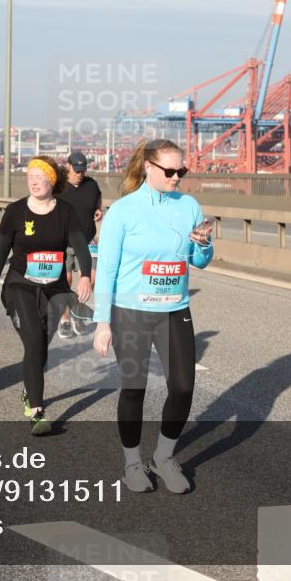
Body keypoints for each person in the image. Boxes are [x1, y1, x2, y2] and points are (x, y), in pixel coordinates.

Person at [92, 139, 214, 494]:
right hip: (130, 311)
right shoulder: (124, 211)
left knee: (183, 387)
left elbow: (200, 260)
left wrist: (204, 244)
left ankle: (163, 457)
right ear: (149, 167)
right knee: (134, 389)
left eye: (182, 171)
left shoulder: (189, 205)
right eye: (170, 171)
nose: (177, 177)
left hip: (174, 309)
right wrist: (102, 323)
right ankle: (132, 462)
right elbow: (108, 270)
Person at [0, 157, 91, 435]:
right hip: (20, 284)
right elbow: (1, 251)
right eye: (30, 176)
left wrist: (85, 276)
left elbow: (80, 247)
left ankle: (28, 389)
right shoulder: (15, 211)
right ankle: (37, 410)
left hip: (54, 290)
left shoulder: (65, 212)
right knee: (33, 340)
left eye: (39, 176)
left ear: (52, 181)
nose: (33, 181)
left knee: (41, 348)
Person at [57, 151, 103, 338]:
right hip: (63, 243)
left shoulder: (91, 184)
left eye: (82, 170)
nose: (80, 173)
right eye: (76, 170)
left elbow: (97, 196)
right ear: (68, 166)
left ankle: (77, 312)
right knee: (64, 282)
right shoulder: (58, 187)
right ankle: (65, 320)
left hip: (87, 240)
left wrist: (99, 208)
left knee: (90, 279)